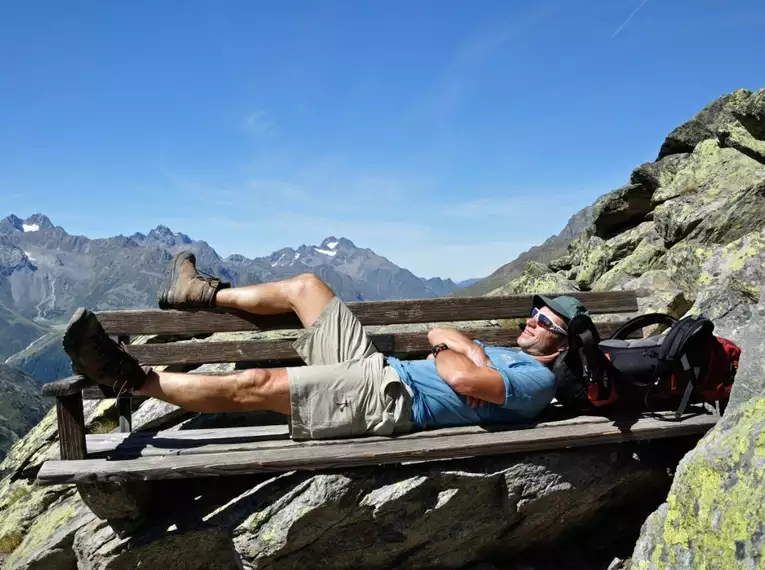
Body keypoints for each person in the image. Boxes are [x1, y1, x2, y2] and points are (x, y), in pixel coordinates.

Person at [62, 252, 590, 440]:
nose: (532, 320)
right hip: (377, 369)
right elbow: (438, 337)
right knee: (306, 285)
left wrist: (460, 353)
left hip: (390, 402)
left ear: (562, 345)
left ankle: (126, 378)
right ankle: (198, 290)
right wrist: (459, 346)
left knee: (256, 382)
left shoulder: (538, 381)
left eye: (546, 322)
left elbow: (457, 378)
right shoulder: (511, 357)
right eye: (535, 311)